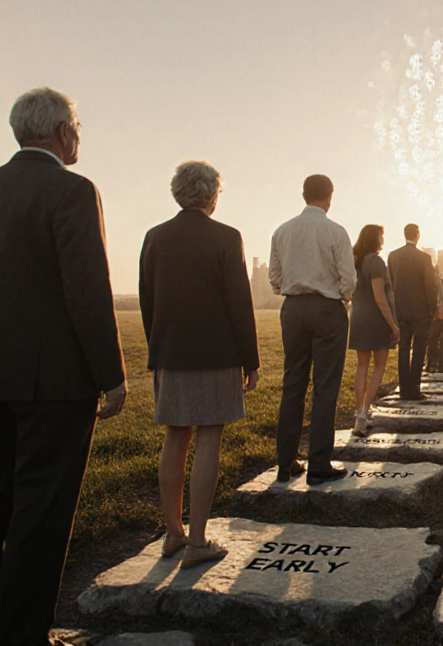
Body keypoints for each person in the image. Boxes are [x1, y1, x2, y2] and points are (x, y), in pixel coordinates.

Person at [0, 87, 128, 645]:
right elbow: (86, 289)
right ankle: (23, 635)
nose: (79, 136)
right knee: (40, 513)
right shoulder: (73, 191)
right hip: (56, 383)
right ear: (62, 132)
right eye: (78, 126)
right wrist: (111, 374)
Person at [139, 160, 259, 570]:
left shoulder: (155, 237)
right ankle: (198, 540)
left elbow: (147, 300)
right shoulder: (227, 237)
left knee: (176, 436)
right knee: (209, 436)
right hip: (218, 352)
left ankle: (172, 533)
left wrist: (159, 347)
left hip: (170, 352)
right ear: (212, 195)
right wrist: (250, 359)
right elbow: (238, 304)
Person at [269, 174, 356, 485]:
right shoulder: (335, 231)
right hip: (327, 308)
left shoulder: (282, 231)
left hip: (292, 309)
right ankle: (318, 462)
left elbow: (275, 277)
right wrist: (341, 300)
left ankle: (285, 462)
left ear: (303, 194)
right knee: (325, 387)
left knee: (292, 383)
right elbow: (348, 278)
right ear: (329, 197)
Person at [348, 225, 399, 433]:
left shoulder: (355, 262)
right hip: (376, 319)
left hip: (358, 317)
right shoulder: (376, 263)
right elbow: (380, 297)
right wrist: (393, 325)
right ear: (374, 239)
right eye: (381, 235)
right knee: (379, 366)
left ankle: (359, 410)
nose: (383, 239)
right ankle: (364, 413)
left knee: (362, 366)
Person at [387, 224, 442, 401]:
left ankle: (403, 389)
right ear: (417, 235)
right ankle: (414, 388)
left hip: (400, 311)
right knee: (419, 350)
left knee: (403, 349)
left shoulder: (393, 256)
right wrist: (433, 309)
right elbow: (429, 285)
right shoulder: (424, 258)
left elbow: (391, 282)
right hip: (420, 312)